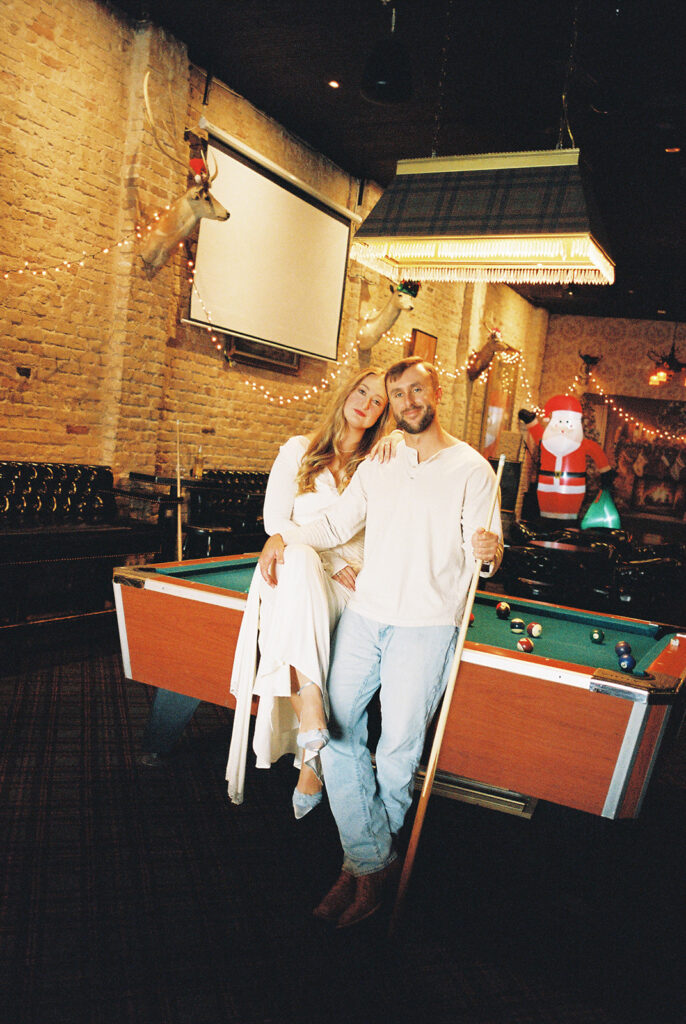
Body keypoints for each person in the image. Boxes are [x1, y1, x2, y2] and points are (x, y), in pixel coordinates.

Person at [258, 357, 503, 927]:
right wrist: (282, 534)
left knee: (398, 748)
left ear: (436, 390)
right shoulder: (381, 459)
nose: (408, 400)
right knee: (334, 729)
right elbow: (336, 526)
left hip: (429, 622)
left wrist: (492, 556)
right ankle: (373, 861)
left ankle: (356, 865)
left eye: (417, 389)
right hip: (368, 615)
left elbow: (482, 555)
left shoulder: (473, 469)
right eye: (398, 394)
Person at [225, 367, 399, 817]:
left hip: (349, 585)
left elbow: (385, 536)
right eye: (361, 391)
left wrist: (346, 563)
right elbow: (275, 523)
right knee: (300, 560)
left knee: (299, 561)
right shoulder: (298, 451)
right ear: (347, 392)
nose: (365, 402)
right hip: (298, 577)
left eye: (377, 400)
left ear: (383, 413)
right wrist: (325, 556)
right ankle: (313, 723)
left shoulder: (378, 465)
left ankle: (310, 733)